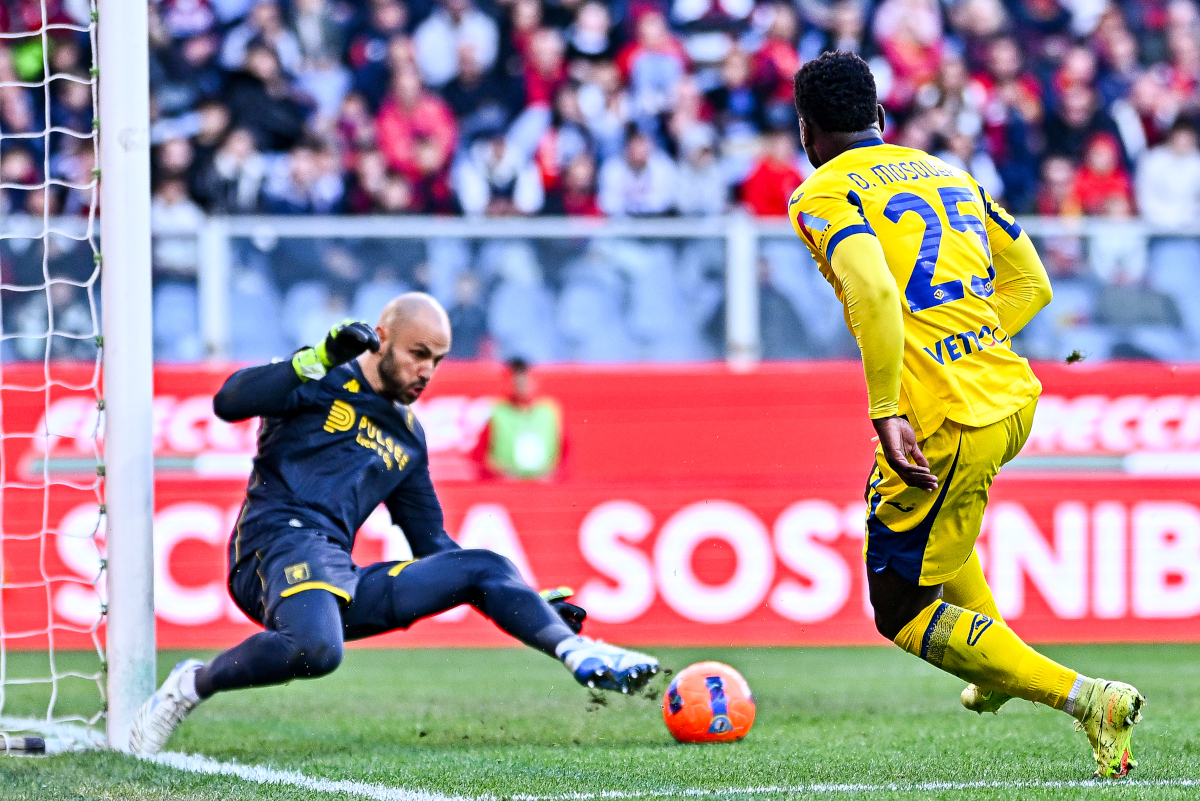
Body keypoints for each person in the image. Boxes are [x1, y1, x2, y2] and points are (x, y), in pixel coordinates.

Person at [788, 52, 1143, 780]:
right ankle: (994, 665)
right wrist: (968, 342)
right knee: (939, 521)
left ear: (807, 132)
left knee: (898, 607)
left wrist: (888, 407)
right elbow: (1032, 283)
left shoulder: (821, 194)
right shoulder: (945, 170)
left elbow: (879, 295)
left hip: (946, 417)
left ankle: (1086, 698)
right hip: (1009, 398)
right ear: (882, 120)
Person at [129, 294, 657, 755]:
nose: (427, 371)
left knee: (484, 565)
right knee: (320, 650)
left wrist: (528, 600)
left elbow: (433, 545)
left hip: (333, 571)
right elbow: (228, 402)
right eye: (418, 354)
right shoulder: (317, 376)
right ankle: (191, 685)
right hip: (273, 545)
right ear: (380, 341)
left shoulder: (408, 439)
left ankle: (575, 651)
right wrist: (319, 356)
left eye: (438, 360)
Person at [479, 358, 563, 480]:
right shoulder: (497, 412)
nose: (521, 385)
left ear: (534, 380)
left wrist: (553, 476)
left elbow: (564, 454)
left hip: (544, 486)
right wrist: (502, 475)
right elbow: (481, 456)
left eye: (524, 380)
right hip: (507, 487)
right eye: (516, 381)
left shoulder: (549, 411)